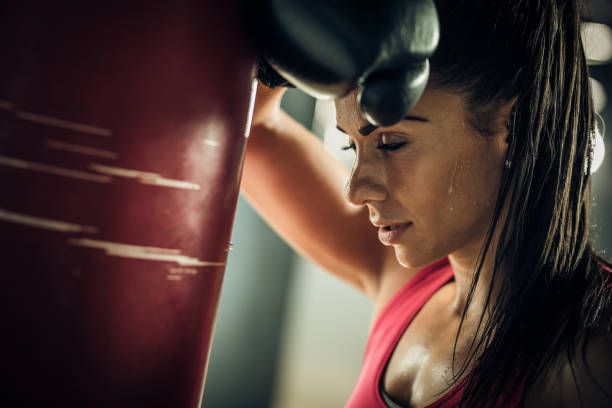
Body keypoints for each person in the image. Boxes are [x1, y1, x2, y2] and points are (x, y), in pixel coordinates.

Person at [241, 0, 612, 406]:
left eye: (393, 143)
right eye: (352, 144)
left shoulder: (593, 359)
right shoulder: (402, 276)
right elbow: (250, 131)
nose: (356, 190)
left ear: (513, 123)